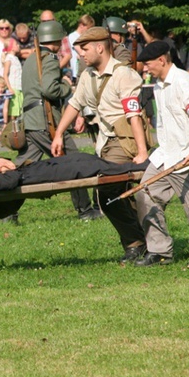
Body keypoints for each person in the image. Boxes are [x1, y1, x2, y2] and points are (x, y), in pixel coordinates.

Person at [51, 27, 149, 262]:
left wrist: (143, 150)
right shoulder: (88, 76)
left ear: (100, 47)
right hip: (105, 141)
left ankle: (137, 243)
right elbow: (75, 104)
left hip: (125, 141)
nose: (80, 54)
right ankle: (143, 241)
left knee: (107, 192)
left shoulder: (123, 74)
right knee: (120, 195)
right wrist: (58, 134)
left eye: (84, 49)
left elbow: (134, 114)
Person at [134, 41, 189, 266]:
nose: (145, 69)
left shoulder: (184, 82)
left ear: (162, 59)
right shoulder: (158, 85)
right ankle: (160, 252)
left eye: (148, 64)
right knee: (145, 193)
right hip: (164, 156)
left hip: (188, 157)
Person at [18, 21, 101, 221]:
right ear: (55, 39)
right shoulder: (49, 59)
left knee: (19, 168)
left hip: (30, 121)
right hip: (47, 122)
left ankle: (4, 210)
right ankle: (85, 210)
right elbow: (49, 90)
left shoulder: (32, 59)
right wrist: (66, 88)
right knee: (73, 161)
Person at [0, 152, 147, 194]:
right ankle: (146, 167)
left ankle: (144, 164)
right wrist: (7, 168)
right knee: (93, 168)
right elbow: (7, 183)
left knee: (90, 159)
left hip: (38, 168)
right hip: (37, 176)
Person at [68, 14, 95, 80]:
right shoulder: (72, 36)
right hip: (76, 72)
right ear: (81, 25)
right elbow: (81, 52)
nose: (89, 31)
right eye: (88, 28)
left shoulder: (86, 37)